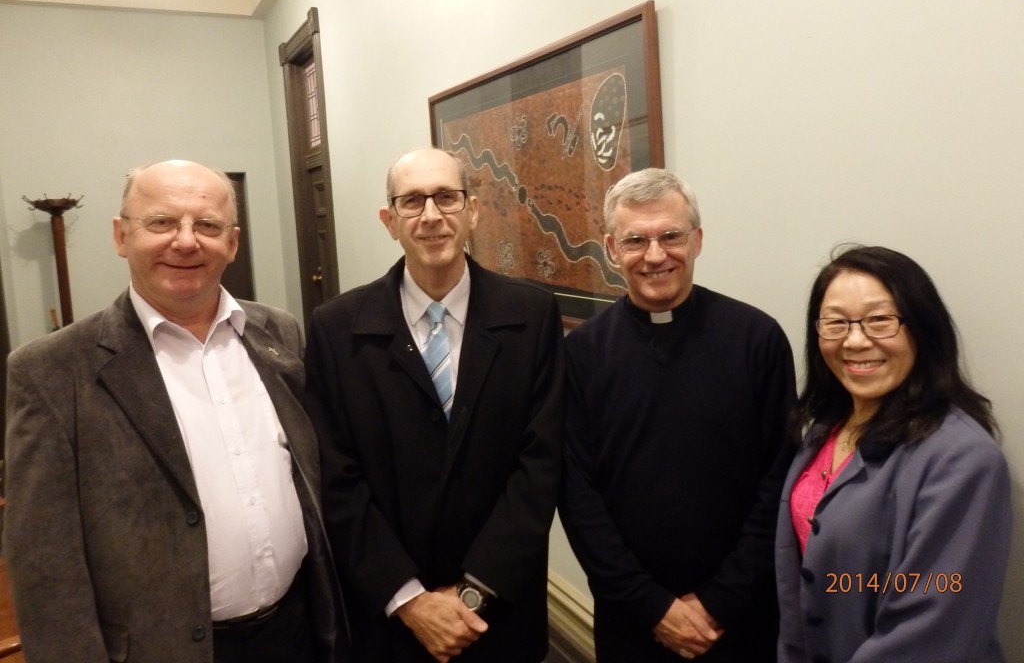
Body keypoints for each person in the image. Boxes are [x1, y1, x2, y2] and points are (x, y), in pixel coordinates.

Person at [3, 160, 347, 663]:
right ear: (121, 236)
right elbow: (44, 569)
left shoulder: (280, 332)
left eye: (207, 225)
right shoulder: (52, 372)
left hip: (298, 633)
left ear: (232, 242)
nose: (186, 242)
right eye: (161, 222)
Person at [303, 147, 564, 663]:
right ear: (389, 220)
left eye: (446, 197)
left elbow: (542, 465)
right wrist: (409, 599)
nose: (431, 216)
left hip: (501, 609)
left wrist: (473, 591)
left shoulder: (531, 316)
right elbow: (337, 478)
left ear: (473, 210)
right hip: (390, 617)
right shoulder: (336, 328)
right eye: (412, 201)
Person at [560, 167, 796, 662]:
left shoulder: (758, 339)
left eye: (670, 236)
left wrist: (721, 601)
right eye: (635, 240)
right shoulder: (579, 354)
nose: (654, 255)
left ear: (698, 240)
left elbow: (781, 480)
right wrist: (650, 606)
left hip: (742, 614)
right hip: (632, 619)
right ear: (610, 248)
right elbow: (576, 494)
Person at [776, 245, 1011, 662]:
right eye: (835, 322)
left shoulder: (963, 460)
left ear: (922, 327)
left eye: (879, 320)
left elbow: (932, 631)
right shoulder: (823, 432)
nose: (855, 340)